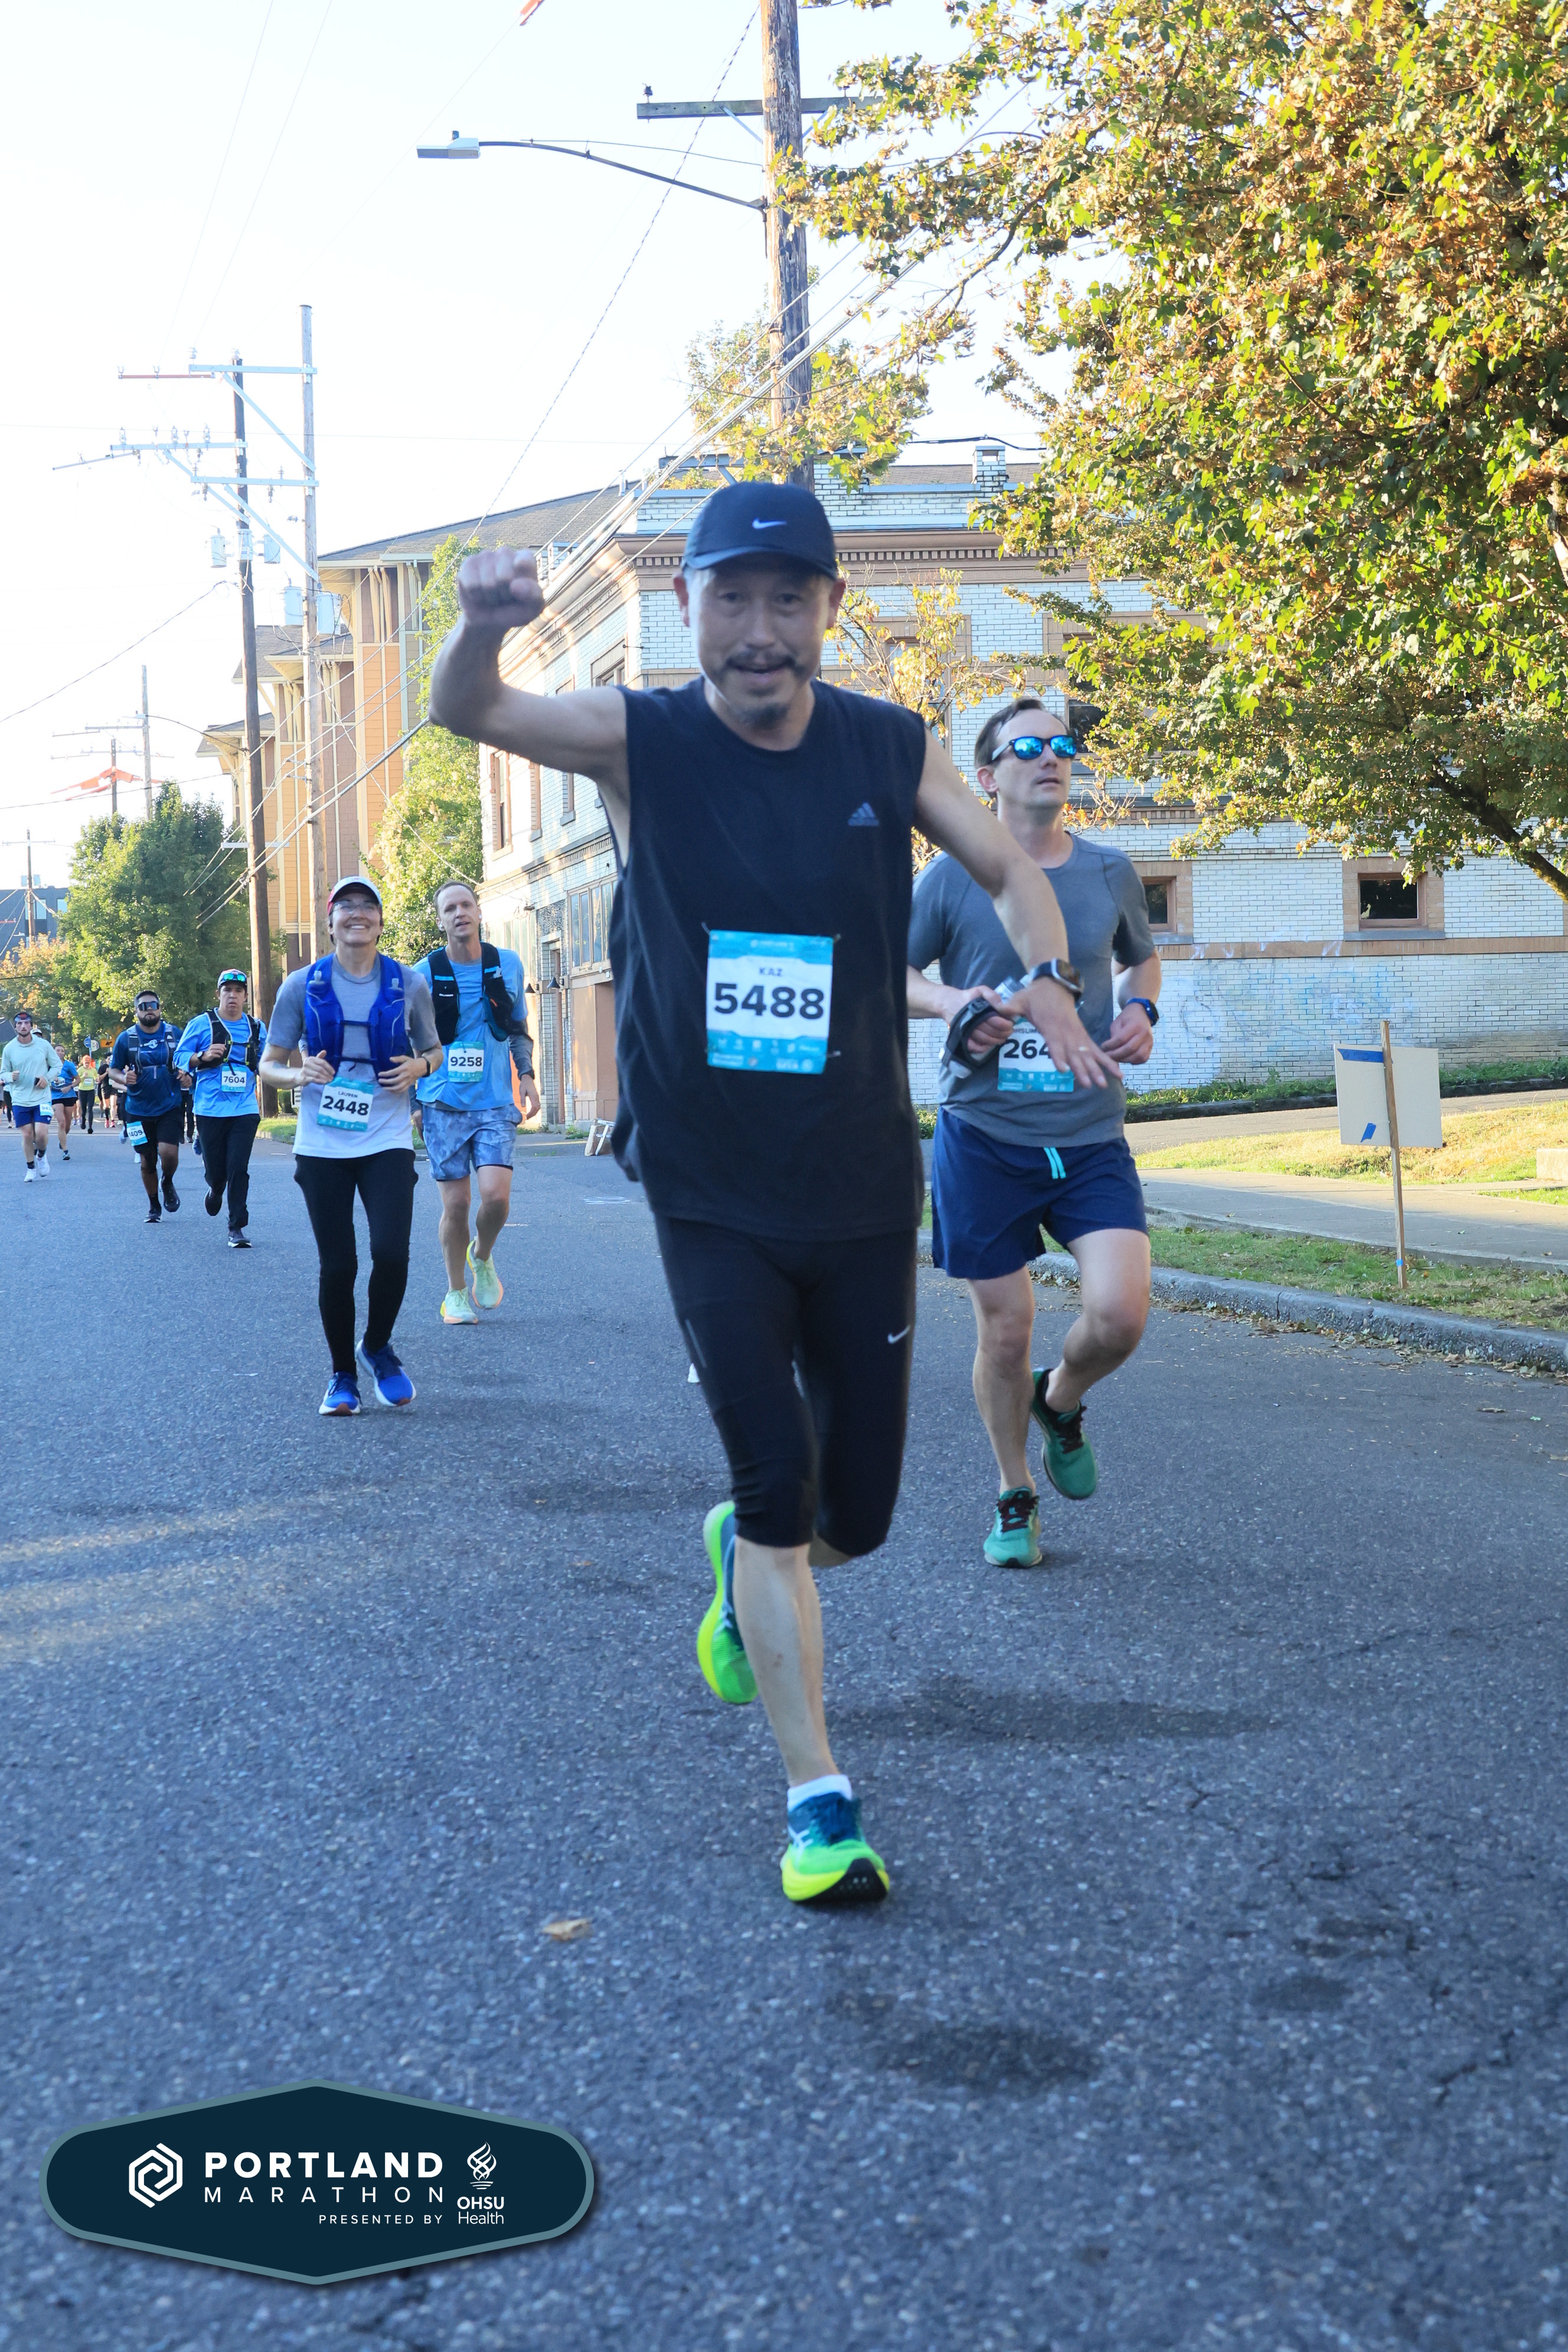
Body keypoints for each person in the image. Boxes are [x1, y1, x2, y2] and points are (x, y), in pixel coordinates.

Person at [429, 479, 1121, 1908]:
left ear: (827, 610)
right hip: (709, 1183)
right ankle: (818, 1805)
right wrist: (479, 627)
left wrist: (1047, 978)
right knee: (768, 1487)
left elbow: (1006, 864)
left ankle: (747, 1555)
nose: (759, 629)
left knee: (850, 1518)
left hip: (859, 1177)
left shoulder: (884, 742)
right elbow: (471, 710)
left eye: (786, 599)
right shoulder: (639, 736)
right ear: (687, 607)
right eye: (731, 599)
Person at [907, 697, 1161, 1567]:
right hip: (983, 1134)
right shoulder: (950, 877)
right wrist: (958, 1006)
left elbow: (1141, 957)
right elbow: (891, 972)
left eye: (1063, 744)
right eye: (1029, 747)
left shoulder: (1109, 870)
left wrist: (1142, 1009)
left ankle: (1060, 1398)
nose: (1052, 756)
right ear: (986, 777)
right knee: (1006, 1329)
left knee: (1119, 1317)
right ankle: (1014, 1491)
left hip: (1088, 1132)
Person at [257, 876, 442, 1416]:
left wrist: (419, 1067)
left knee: (392, 1253)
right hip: (322, 1143)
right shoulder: (301, 985)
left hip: (387, 1136)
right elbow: (269, 1064)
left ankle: (377, 1346)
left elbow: (435, 1050)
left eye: (368, 906)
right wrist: (298, 1074)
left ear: (380, 923)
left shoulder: (410, 984)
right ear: (331, 923)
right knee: (338, 1265)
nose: (357, 913)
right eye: (346, 906)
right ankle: (342, 1375)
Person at [413, 880, 540, 1324]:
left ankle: (481, 1254)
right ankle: (455, 1293)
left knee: (496, 1198)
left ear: (479, 912)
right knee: (456, 1205)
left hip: (494, 1102)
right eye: (450, 908)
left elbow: (518, 1028)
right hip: (442, 1102)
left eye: (466, 904)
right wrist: (413, 1102)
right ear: (440, 920)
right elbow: (408, 1041)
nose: (459, 913)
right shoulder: (424, 974)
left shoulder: (507, 964)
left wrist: (526, 1075)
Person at [175, 970, 267, 1249]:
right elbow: (179, 1056)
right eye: (227, 990)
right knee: (218, 1173)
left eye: (239, 991)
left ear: (246, 997)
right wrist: (202, 1056)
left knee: (239, 1166)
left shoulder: (256, 1027)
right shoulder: (201, 1024)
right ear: (219, 994)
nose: (233, 996)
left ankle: (236, 1227)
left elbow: (268, 1060)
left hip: (245, 1108)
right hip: (209, 1108)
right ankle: (215, 1188)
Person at [106, 990, 192, 1223]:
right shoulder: (126, 1038)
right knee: (147, 1160)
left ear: (160, 1008)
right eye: (143, 1006)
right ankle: (154, 1206)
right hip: (136, 1109)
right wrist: (124, 1078)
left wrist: (187, 1076)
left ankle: (168, 1181)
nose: (149, 1009)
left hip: (169, 1105)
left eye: (153, 1004)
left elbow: (189, 1059)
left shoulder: (175, 1034)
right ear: (136, 1012)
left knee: (169, 1153)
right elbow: (113, 1070)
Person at [1, 1011, 62, 1181]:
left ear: (31, 1025)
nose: (23, 1026)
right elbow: (3, 1072)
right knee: (27, 1134)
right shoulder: (10, 1048)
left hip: (42, 1097)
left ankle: (41, 1155)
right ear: (15, 1027)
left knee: (41, 1134)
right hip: (20, 1098)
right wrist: (10, 1076)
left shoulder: (43, 1045)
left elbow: (57, 1066)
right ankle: (30, 1168)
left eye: (26, 1023)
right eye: (19, 1024)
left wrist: (47, 1078)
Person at [50, 1050, 79, 1159]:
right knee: (61, 1122)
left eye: (62, 1051)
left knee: (67, 1125)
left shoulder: (69, 1065)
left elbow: (78, 1080)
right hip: (56, 1096)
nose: (60, 1052)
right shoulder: (48, 1065)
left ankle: (62, 1139)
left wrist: (70, 1087)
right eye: (58, 1050)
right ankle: (65, 1150)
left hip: (69, 1095)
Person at [77, 1051, 99, 1135]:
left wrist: (97, 1079)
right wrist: (83, 1076)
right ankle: (83, 1121)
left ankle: (90, 1127)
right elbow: (77, 1080)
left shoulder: (93, 1070)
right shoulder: (80, 1070)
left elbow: (96, 1077)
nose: (87, 1064)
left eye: (88, 1063)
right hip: (82, 1090)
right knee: (83, 1109)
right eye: (85, 1063)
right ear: (83, 1062)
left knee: (90, 1108)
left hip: (91, 1090)